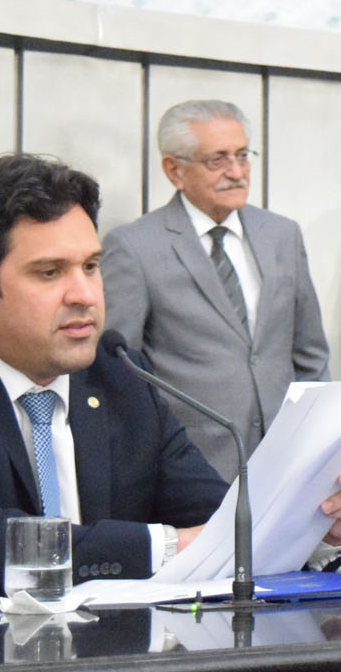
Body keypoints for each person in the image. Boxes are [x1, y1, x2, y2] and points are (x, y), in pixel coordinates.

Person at [0, 154, 341, 596]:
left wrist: (320, 526)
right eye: (49, 272)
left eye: (90, 266)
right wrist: (168, 548)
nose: (84, 294)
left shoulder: (118, 372)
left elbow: (216, 518)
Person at [101, 100, 329, 481]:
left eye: (243, 155)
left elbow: (311, 354)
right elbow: (118, 370)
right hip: (190, 467)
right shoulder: (134, 247)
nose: (237, 172)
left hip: (286, 461)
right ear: (174, 170)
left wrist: (314, 439)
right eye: (217, 160)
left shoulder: (281, 234)